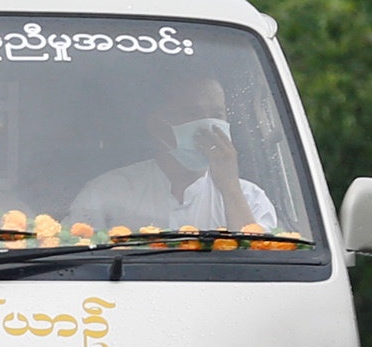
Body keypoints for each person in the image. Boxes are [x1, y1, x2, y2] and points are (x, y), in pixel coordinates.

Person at [68, 71, 281, 235]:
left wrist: (230, 188)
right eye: (192, 113)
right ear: (157, 126)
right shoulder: (107, 192)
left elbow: (263, 266)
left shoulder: (250, 198)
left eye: (217, 114)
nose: (208, 127)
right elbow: (73, 257)